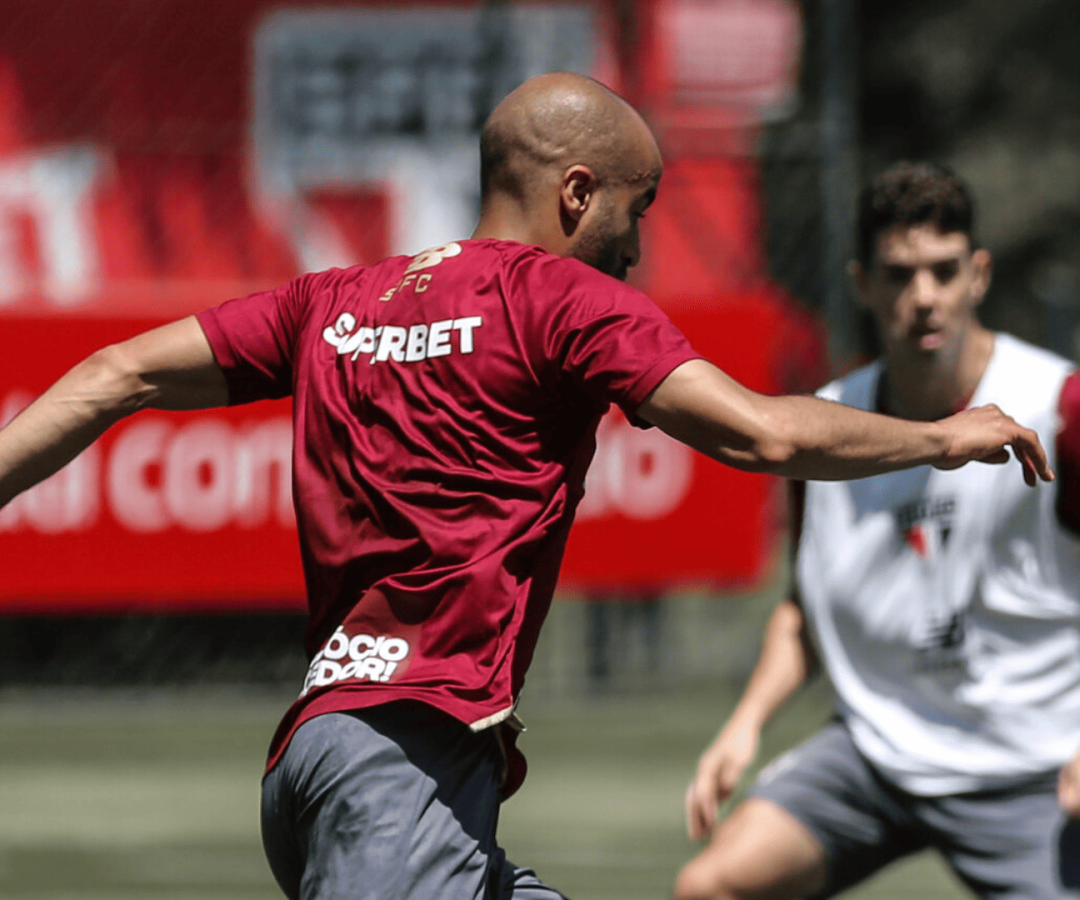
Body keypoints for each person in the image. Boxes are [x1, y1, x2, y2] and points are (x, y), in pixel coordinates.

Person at [0, 80, 1053, 900]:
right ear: (577, 195)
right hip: (401, 771)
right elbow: (764, 433)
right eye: (637, 212)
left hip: (322, 756)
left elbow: (111, 374)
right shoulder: (564, 300)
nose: (639, 250)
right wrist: (937, 436)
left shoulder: (336, 299)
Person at [677, 160, 1080, 900]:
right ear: (863, 283)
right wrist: (745, 724)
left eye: (943, 271)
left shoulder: (1060, 405)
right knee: (712, 887)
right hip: (878, 753)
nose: (923, 297)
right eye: (899, 275)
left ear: (979, 274)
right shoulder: (827, 422)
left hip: (1031, 765)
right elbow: (804, 605)